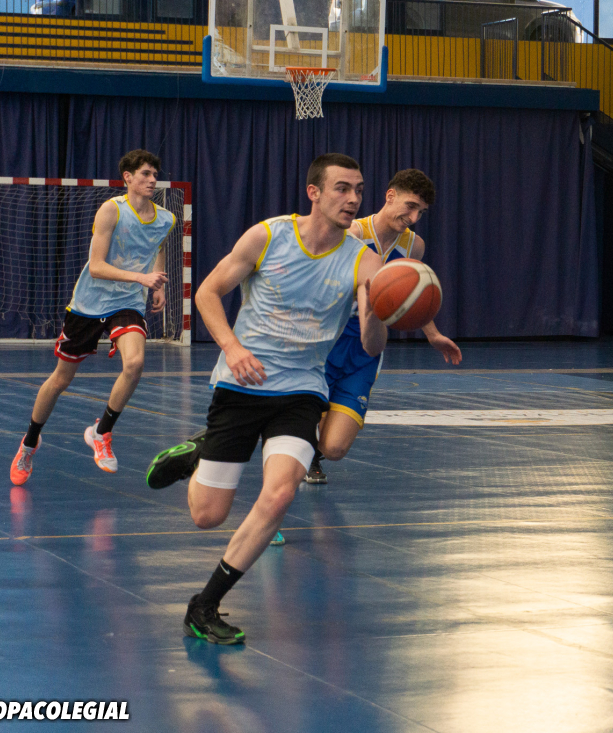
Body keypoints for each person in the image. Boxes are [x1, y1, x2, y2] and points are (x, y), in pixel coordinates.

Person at [144, 153, 386, 644]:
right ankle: (197, 453)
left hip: (302, 391)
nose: (353, 199)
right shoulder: (268, 236)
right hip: (243, 384)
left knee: (279, 495)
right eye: (342, 188)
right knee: (207, 516)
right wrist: (232, 348)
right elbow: (207, 293)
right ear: (314, 192)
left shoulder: (365, 260)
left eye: (359, 190)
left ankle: (204, 605)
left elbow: (371, 343)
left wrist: (381, 310)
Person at [9, 149, 173, 485]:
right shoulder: (112, 210)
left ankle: (101, 432)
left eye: (155, 174)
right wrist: (142, 278)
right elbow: (96, 267)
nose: (152, 180)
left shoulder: (166, 219)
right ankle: (29, 443)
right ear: (128, 177)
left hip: (127, 302)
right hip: (89, 303)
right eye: (145, 173)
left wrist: (157, 283)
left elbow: (158, 245)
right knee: (60, 380)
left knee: (135, 364)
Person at [303, 169, 461, 486]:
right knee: (299, 418)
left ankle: (311, 448)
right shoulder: (351, 233)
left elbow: (411, 297)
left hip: (367, 343)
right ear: (390, 196)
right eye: (410, 206)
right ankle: (294, 442)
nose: (413, 218)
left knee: (335, 448)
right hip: (326, 336)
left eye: (421, 212)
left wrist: (433, 334)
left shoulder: (414, 246)